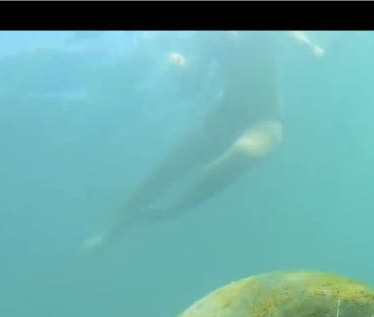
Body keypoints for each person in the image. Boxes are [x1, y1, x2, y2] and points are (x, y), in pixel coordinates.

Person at [81, 30, 325, 255]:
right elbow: (193, 86)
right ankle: (111, 233)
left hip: (264, 121)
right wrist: (179, 68)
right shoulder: (210, 35)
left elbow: (294, 36)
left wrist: (311, 48)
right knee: (162, 173)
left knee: (241, 155)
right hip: (223, 117)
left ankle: (175, 208)